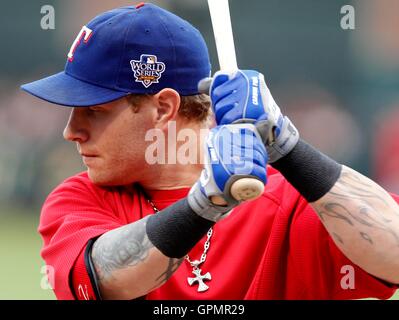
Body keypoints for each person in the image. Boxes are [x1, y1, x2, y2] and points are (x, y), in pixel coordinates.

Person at [21, 3, 399, 300]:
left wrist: (287, 146)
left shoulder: (290, 201)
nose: (71, 132)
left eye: (94, 111)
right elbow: (106, 278)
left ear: (164, 107)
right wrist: (206, 203)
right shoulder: (79, 198)